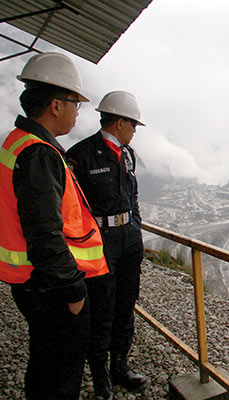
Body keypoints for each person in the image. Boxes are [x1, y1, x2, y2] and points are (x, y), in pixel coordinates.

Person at [0, 52, 110, 399]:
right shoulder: (39, 154)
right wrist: (74, 292)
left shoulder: (18, 142)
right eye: (75, 104)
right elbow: (45, 234)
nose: (78, 113)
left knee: (45, 366)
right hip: (50, 287)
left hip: (35, 284)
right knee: (60, 376)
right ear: (55, 106)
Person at [67, 91, 147, 399]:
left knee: (126, 305)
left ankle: (120, 368)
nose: (135, 131)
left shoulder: (127, 154)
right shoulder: (81, 155)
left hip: (127, 238)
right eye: (133, 125)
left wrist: (135, 228)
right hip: (99, 243)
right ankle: (100, 379)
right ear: (119, 123)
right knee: (102, 309)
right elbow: (72, 207)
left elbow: (133, 195)